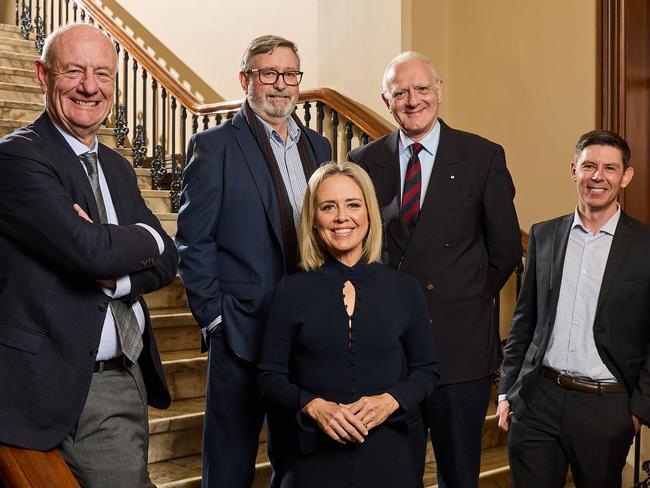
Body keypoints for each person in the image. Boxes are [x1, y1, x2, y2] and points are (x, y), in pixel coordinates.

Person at [0, 24, 177, 487]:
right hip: (69, 379)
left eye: (103, 74)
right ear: (42, 75)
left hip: (128, 370)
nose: (89, 87)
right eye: (74, 71)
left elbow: (169, 257)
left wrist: (119, 269)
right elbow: (93, 252)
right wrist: (134, 240)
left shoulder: (117, 167)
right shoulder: (18, 158)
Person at [348, 51, 521, 486]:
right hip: (388, 350)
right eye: (400, 92)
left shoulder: (482, 157)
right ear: (386, 101)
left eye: (422, 89)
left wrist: (459, 297)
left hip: (458, 350)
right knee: (389, 474)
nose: (413, 100)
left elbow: (504, 250)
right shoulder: (363, 161)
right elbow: (356, 249)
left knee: (458, 476)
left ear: (439, 91)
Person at [175, 35, 331, 488]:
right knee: (229, 464)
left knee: (298, 462)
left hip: (306, 336)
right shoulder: (216, 146)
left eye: (290, 74)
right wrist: (214, 319)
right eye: (268, 73)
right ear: (246, 80)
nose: (280, 85)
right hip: (241, 332)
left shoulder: (319, 148)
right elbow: (193, 239)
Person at [257, 161, 438, 487]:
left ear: (369, 213)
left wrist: (390, 401)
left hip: (389, 457)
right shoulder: (290, 290)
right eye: (329, 207)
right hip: (310, 460)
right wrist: (313, 405)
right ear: (314, 220)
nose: (342, 217)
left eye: (353, 205)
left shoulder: (405, 289)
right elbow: (269, 376)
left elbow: (427, 371)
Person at [497, 130, 647, 488]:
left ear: (625, 176)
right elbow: (524, 321)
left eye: (610, 169)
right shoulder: (544, 235)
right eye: (589, 166)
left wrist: (638, 411)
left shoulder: (644, 247)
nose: (598, 177)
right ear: (573, 170)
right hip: (538, 400)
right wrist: (507, 390)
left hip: (605, 406)